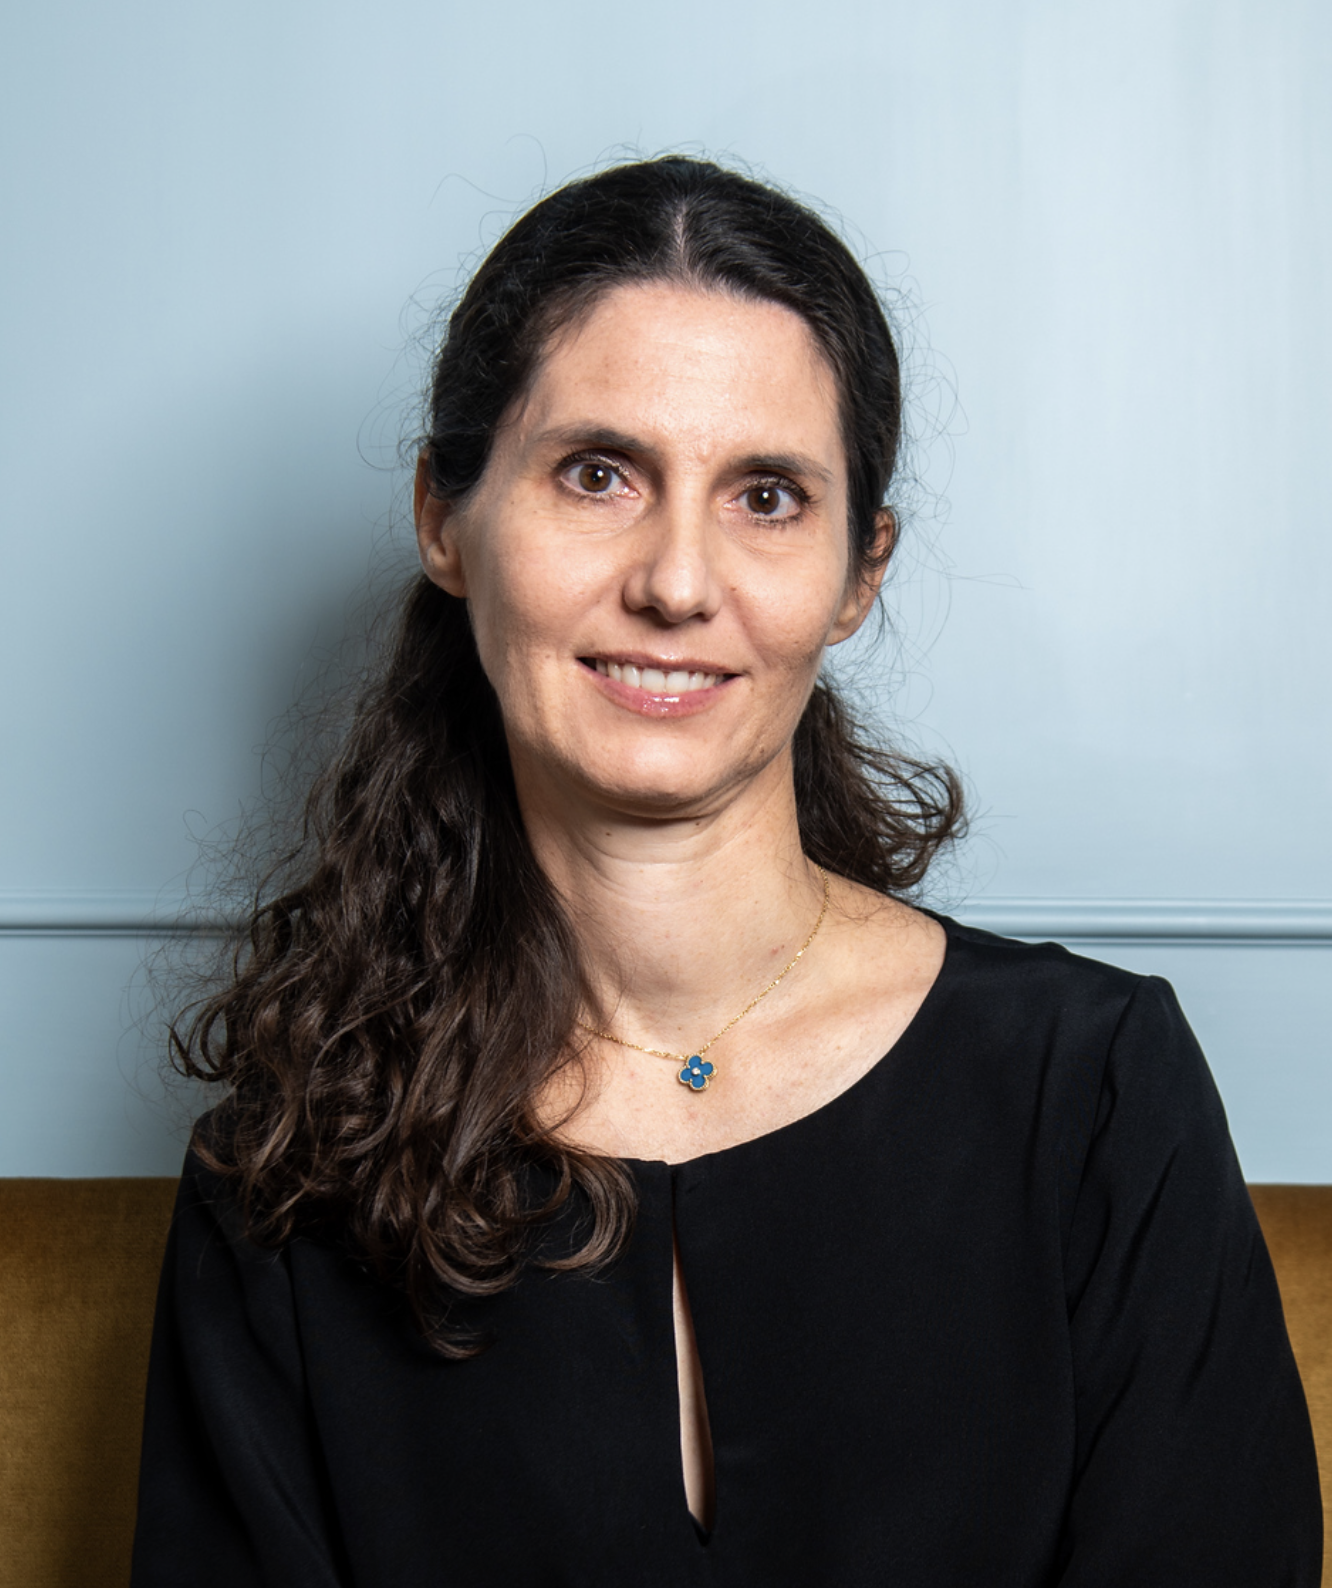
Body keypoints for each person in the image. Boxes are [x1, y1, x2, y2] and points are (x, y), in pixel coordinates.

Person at [131, 157, 1322, 1586]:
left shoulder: (1096, 1087)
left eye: (766, 496)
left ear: (859, 571)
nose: (678, 582)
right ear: (446, 518)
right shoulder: (286, 1165)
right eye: (598, 474)